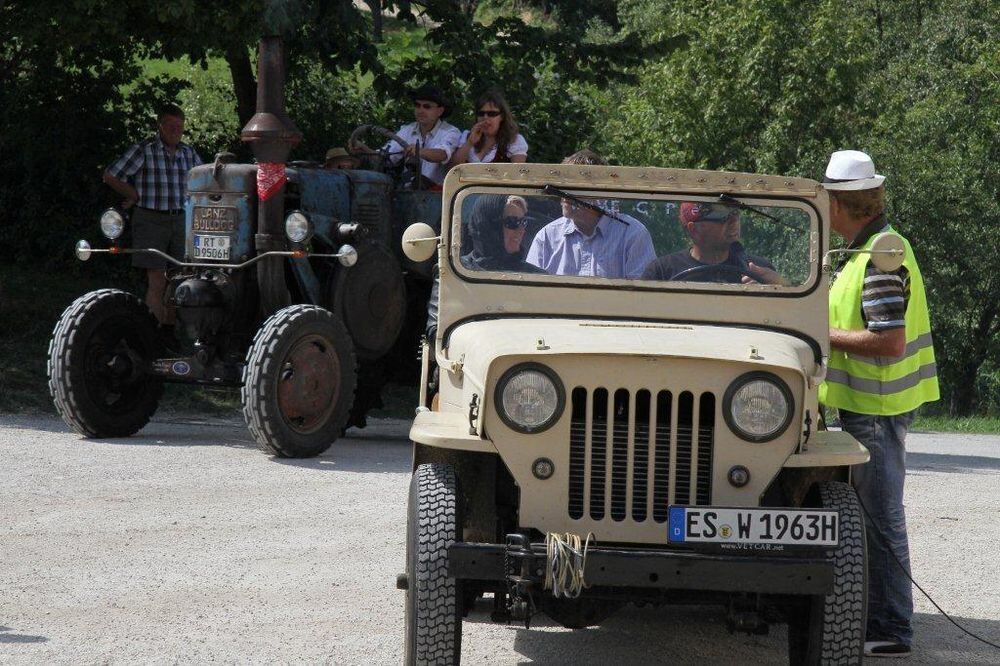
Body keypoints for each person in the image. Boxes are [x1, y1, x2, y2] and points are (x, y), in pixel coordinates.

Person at [818, 149, 939, 659]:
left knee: (880, 517)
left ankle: (891, 627)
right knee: (873, 515)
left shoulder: (882, 254)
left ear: (842, 203)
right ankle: (881, 618)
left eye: (827, 197)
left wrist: (819, 334)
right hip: (869, 407)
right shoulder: (866, 249)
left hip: (879, 409)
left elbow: (887, 342)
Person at [104, 103, 202, 327]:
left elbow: (203, 185)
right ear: (160, 126)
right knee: (157, 280)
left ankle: (169, 331)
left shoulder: (189, 153)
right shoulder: (145, 150)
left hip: (181, 221)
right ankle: (151, 333)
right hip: (151, 220)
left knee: (180, 280)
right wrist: (134, 194)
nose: (175, 130)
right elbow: (111, 175)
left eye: (179, 126)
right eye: (170, 125)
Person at [426, 194, 541, 340]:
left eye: (523, 222)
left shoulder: (537, 276)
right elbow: (436, 332)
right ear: (488, 225)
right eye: (512, 222)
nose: (521, 230)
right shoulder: (455, 272)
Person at [525, 150, 655, 278]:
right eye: (561, 186)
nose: (563, 195)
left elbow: (643, 294)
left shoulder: (632, 234)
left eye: (573, 186)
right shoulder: (547, 236)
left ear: (598, 191)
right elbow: (529, 291)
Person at [641, 201, 783, 284]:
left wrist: (779, 286)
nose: (734, 222)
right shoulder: (661, 272)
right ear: (693, 229)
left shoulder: (758, 270)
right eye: (721, 217)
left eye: (735, 213)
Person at [351, 84, 461, 189]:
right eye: (417, 105)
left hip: (436, 196)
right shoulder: (407, 130)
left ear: (440, 111)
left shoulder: (451, 132)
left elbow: (442, 154)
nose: (421, 110)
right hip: (407, 194)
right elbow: (384, 158)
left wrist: (418, 151)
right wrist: (363, 149)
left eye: (427, 106)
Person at [450, 89, 528, 165]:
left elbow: (518, 173)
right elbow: (453, 169)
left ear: (502, 116)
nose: (485, 117)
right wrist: (469, 142)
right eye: (481, 113)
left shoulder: (514, 140)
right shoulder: (467, 137)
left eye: (491, 114)